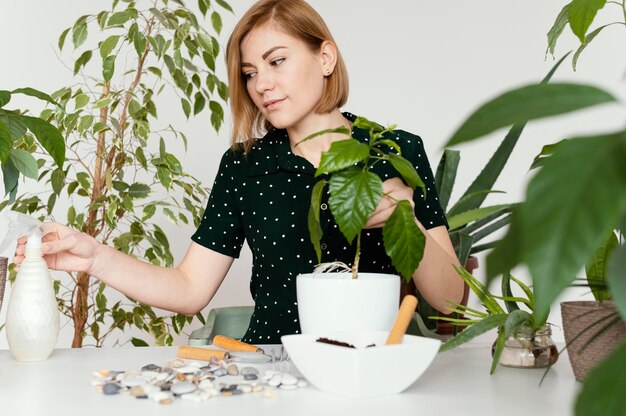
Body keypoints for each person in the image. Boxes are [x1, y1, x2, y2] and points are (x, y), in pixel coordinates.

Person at [13, 0, 463, 344]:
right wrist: (94, 257)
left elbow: (450, 303)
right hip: (267, 370)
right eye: (249, 73)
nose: (261, 84)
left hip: (369, 370)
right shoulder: (245, 165)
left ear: (326, 58)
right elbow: (190, 289)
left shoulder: (395, 151)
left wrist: (409, 223)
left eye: (277, 61)